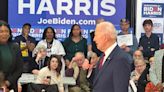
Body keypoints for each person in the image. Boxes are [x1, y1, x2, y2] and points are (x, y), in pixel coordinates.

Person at [92, 22, 131, 92]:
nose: (94, 39)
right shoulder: (102, 57)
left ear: (105, 37)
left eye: (96, 35)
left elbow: (120, 89)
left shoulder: (121, 59)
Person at [0, 20, 23, 92]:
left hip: (11, 85)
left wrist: (8, 82)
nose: (4, 34)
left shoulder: (15, 47)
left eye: (6, 31)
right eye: (1, 31)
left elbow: (19, 69)